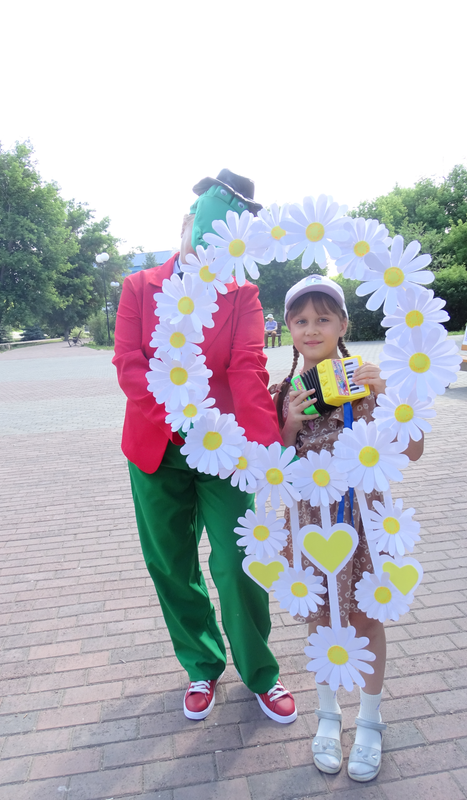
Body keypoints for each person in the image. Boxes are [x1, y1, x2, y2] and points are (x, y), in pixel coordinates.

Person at [112, 170, 297, 725]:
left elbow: (247, 370)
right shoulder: (139, 287)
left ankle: (260, 671)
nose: (210, 250)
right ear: (186, 224)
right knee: (170, 563)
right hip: (157, 447)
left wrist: (268, 451)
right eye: (205, 235)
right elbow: (129, 365)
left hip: (225, 450)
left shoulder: (241, 295)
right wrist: (179, 419)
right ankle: (201, 663)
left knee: (239, 560)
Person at [271, 274, 423, 781]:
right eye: (300, 320)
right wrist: (288, 425)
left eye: (323, 318)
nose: (311, 329)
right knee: (320, 618)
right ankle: (328, 715)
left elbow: (413, 450)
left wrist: (388, 398)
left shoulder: (367, 382)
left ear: (343, 324)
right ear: (288, 328)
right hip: (309, 523)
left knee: (366, 618)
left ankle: (370, 721)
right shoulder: (284, 392)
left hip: (363, 519)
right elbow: (272, 467)